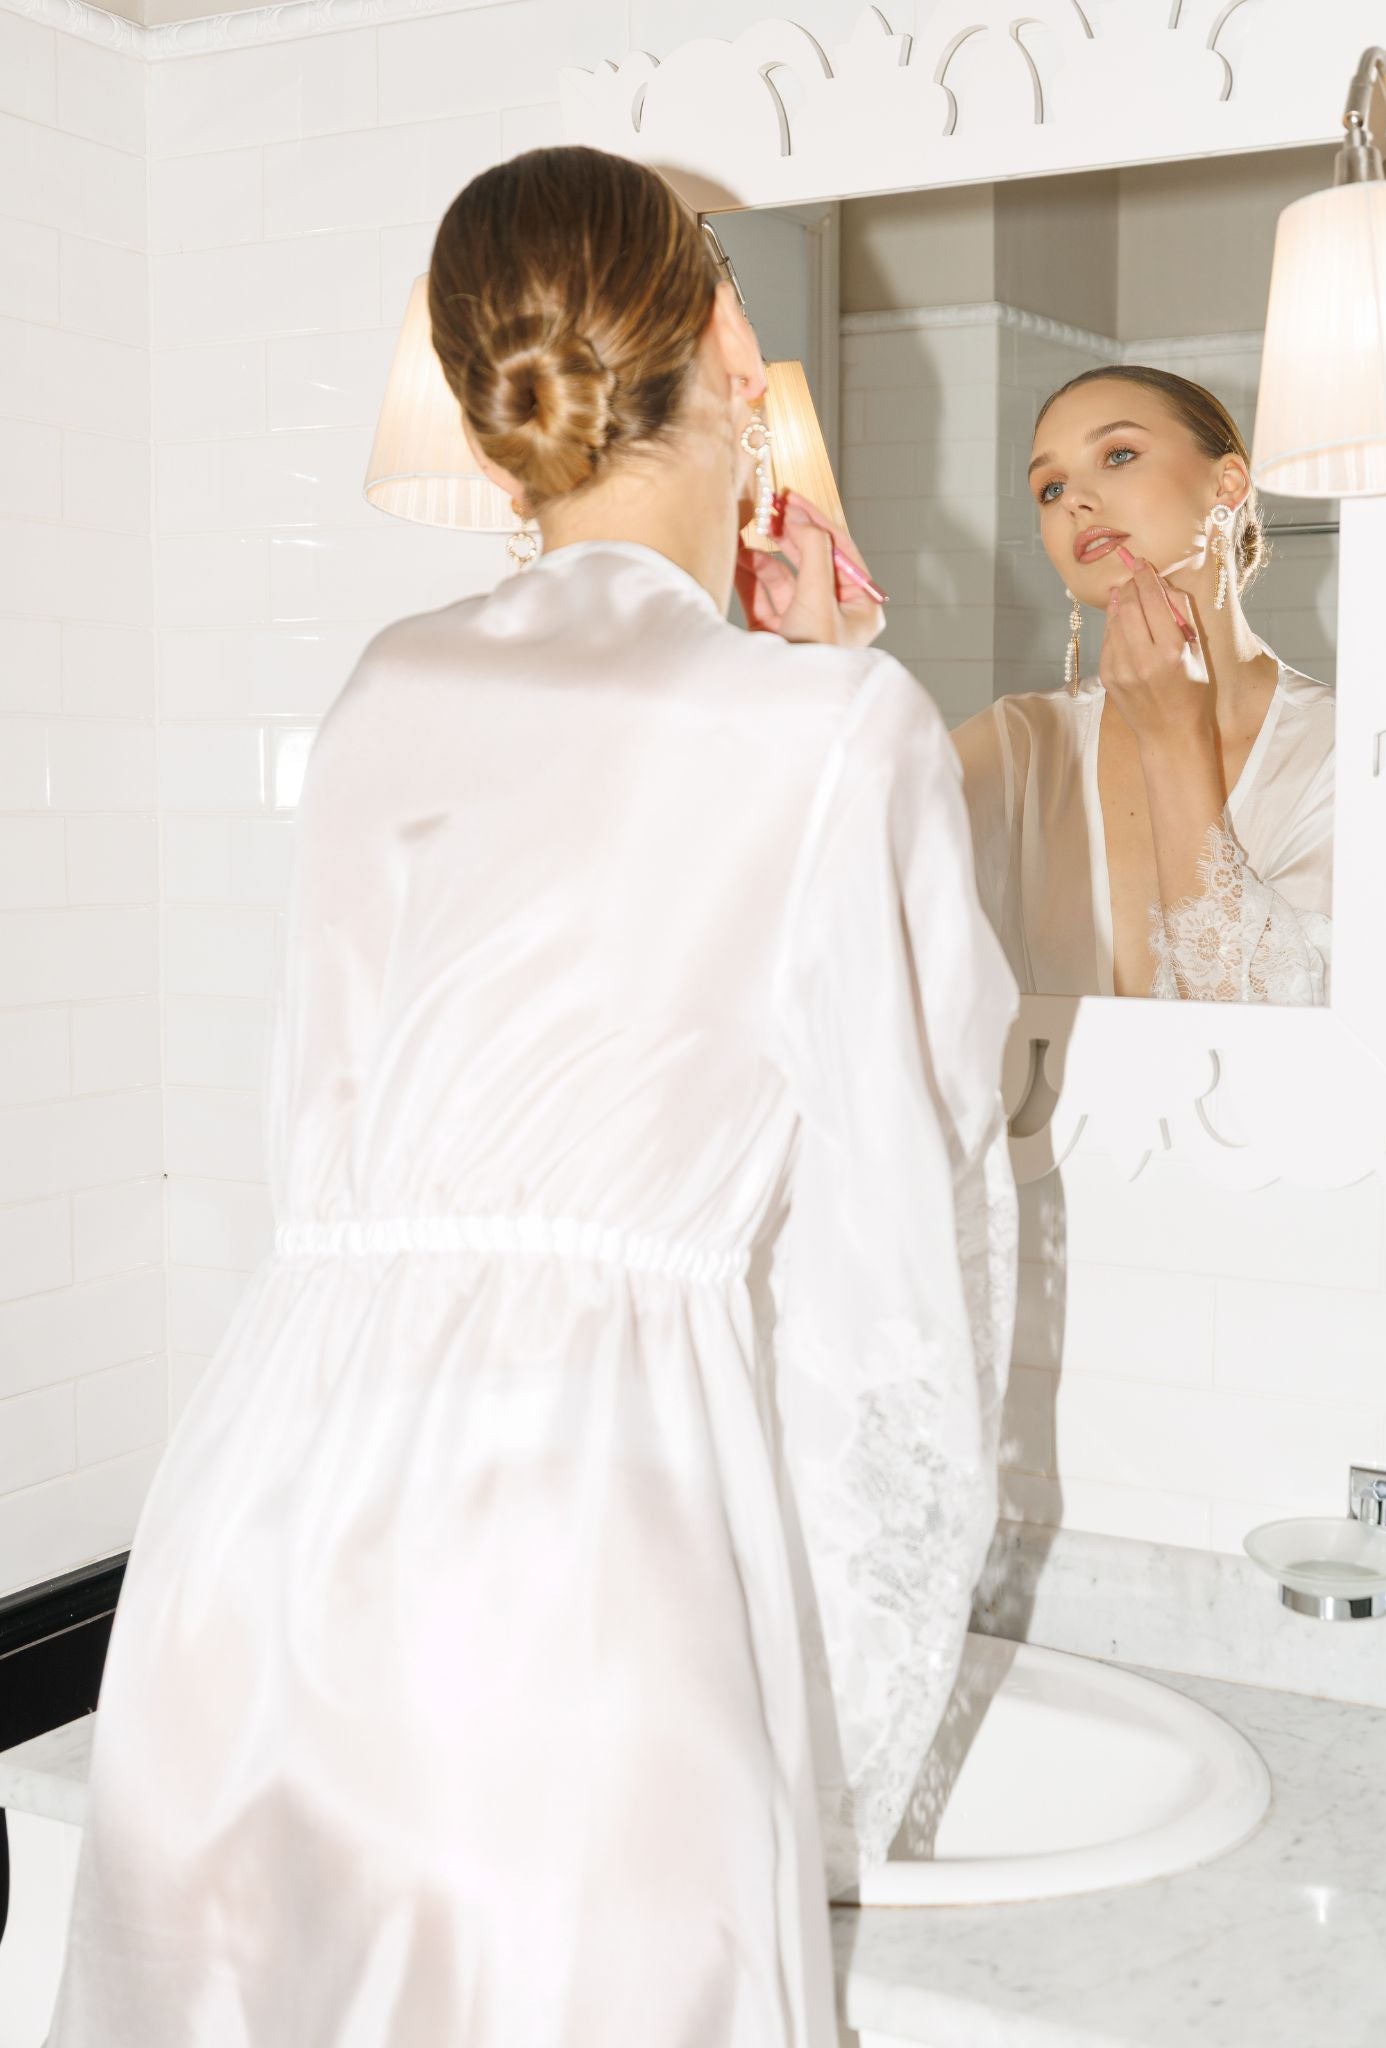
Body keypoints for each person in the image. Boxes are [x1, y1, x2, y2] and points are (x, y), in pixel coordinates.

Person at [44, 145, 1018, 2048]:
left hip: (263, 1516)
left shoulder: (387, 680)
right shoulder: (834, 727)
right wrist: (840, 688)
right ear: (727, 358)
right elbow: (924, 1167)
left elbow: (310, 1122)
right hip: (585, 1541)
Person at [953, 365, 1334, 1003]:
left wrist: (1173, 737)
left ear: (1228, 482)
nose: (1074, 500)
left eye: (1119, 454)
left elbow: (1262, 1029)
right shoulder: (1019, 742)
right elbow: (827, 866)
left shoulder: (1337, 750)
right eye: (1049, 489)